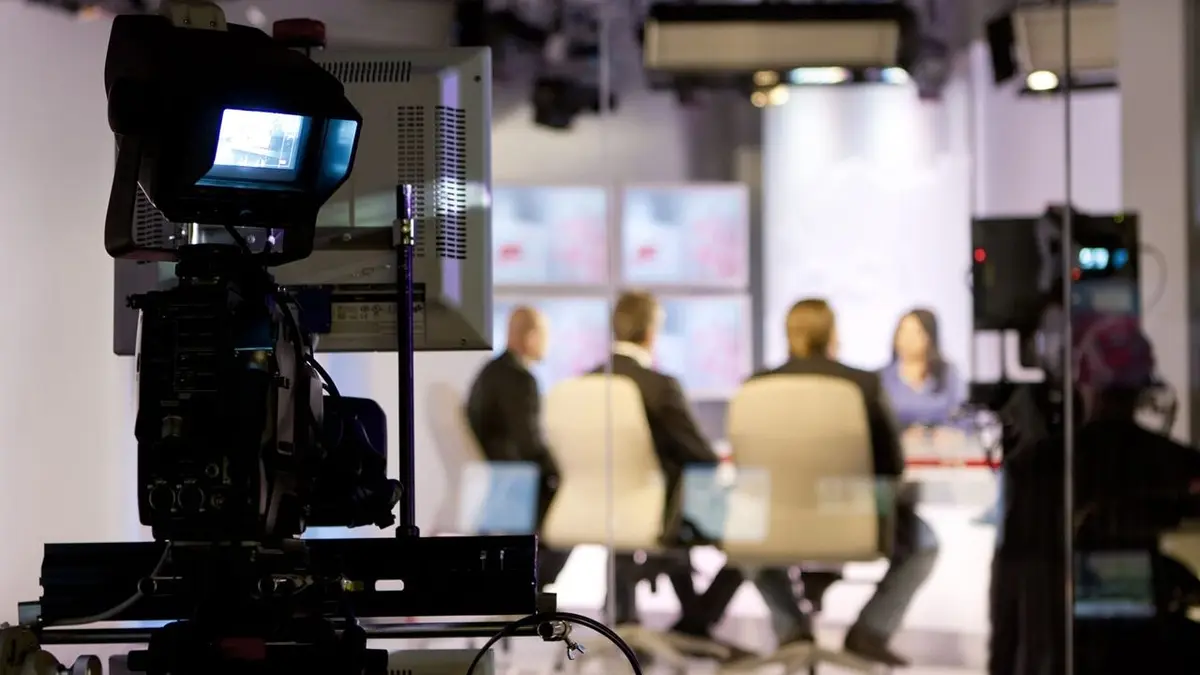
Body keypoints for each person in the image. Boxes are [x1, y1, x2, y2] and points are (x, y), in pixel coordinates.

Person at [990, 320, 1200, 675]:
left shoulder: (1036, 466)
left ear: (1080, 377)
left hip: (1062, 652)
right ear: (1146, 383)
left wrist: (1002, 663)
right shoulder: (1182, 466)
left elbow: (1010, 585)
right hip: (1156, 655)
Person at [752, 298, 938, 667]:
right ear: (832, 335)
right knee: (924, 543)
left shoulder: (756, 386)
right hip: (853, 519)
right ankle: (870, 631)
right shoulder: (863, 384)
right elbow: (892, 465)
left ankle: (791, 628)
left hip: (775, 522)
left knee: (740, 529)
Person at [590, 291, 748, 652]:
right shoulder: (658, 386)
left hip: (599, 508)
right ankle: (697, 622)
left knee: (679, 508)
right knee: (751, 519)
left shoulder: (582, 384)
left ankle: (683, 620)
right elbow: (702, 457)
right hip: (657, 511)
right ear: (651, 332)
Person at [464, 306, 569, 589]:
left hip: (494, 484)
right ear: (531, 337)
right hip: (517, 486)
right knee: (572, 503)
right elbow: (529, 444)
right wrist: (561, 471)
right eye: (545, 335)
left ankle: (523, 585)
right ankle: (532, 585)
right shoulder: (520, 379)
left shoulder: (488, 373)